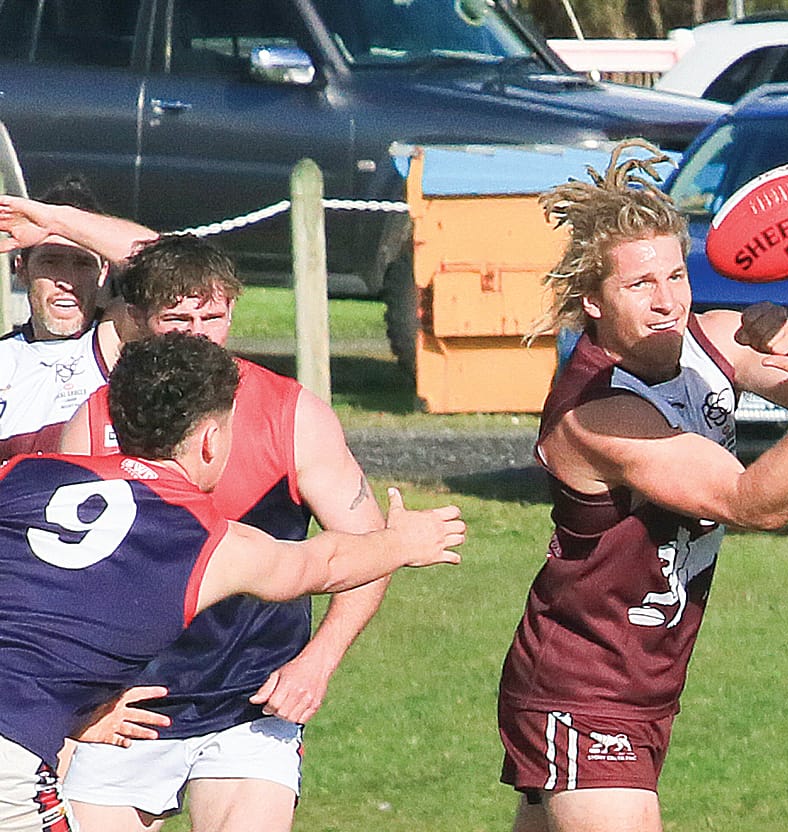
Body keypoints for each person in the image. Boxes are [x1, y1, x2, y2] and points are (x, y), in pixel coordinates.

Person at [496, 139, 788, 832]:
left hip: (645, 683)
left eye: (676, 276)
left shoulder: (717, 343)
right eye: (640, 285)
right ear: (594, 301)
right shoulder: (599, 412)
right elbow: (752, 503)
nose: (668, 301)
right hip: (583, 686)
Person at [0, 332, 465, 832]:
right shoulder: (203, 538)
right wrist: (403, 543)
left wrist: (71, 708)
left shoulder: (22, 474)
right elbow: (320, 564)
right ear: (210, 440)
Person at [54, 235, 389, 832]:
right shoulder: (97, 419)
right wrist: (81, 703)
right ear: (134, 321)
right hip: (128, 707)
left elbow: (368, 550)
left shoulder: (292, 415)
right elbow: (61, 589)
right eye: (177, 319)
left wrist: (318, 662)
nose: (198, 334)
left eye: (213, 316)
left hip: (247, 703)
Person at [0, 181, 156, 458]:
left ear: (103, 272)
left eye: (82, 264)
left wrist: (55, 221)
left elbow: (168, 266)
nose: (67, 281)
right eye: (51, 262)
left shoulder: (115, 336)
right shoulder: (5, 358)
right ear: (21, 270)